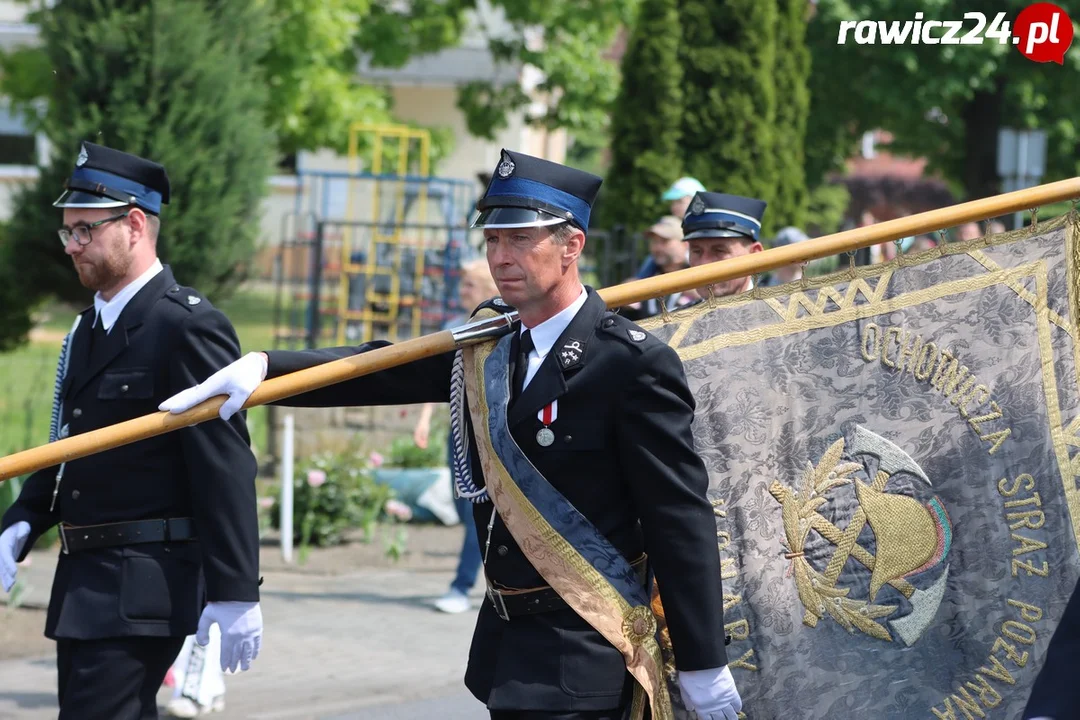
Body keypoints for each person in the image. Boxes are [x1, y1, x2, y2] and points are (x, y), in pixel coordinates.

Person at [160, 149, 741, 720]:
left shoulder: (630, 364)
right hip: (507, 651)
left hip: (587, 649)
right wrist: (266, 366)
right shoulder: (489, 348)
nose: (501, 256)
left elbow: (677, 517)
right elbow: (379, 368)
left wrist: (702, 661)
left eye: (520, 239)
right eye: (492, 240)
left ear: (572, 245)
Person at [0, 141, 263, 720]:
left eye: (85, 231)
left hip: (145, 582)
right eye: (67, 232)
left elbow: (223, 462)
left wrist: (237, 588)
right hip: (85, 582)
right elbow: (72, 438)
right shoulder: (89, 326)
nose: (72, 246)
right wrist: (23, 518)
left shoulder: (186, 325)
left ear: (135, 224)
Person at [413, 258, 499, 614]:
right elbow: (442, 383)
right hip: (460, 433)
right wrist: (423, 420)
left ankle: (463, 585)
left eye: (470, 286)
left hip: (489, 433)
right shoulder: (454, 327)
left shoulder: (501, 326)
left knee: (478, 509)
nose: (462, 292)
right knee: (466, 507)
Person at [682, 191, 767, 300]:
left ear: (755, 254)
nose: (704, 263)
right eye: (697, 251)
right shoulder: (678, 316)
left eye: (719, 251)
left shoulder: (784, 313)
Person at [621, 215, 698, 321]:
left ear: (685, 244)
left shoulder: (699, 278)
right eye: (654, 241)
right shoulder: (646, 277)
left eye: (664, 241)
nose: (657, 247)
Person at [633, 177, 707, 281]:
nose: (674, 206)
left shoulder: (704, 226)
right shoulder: (675, 222)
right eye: (673, 202)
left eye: (680, 201)